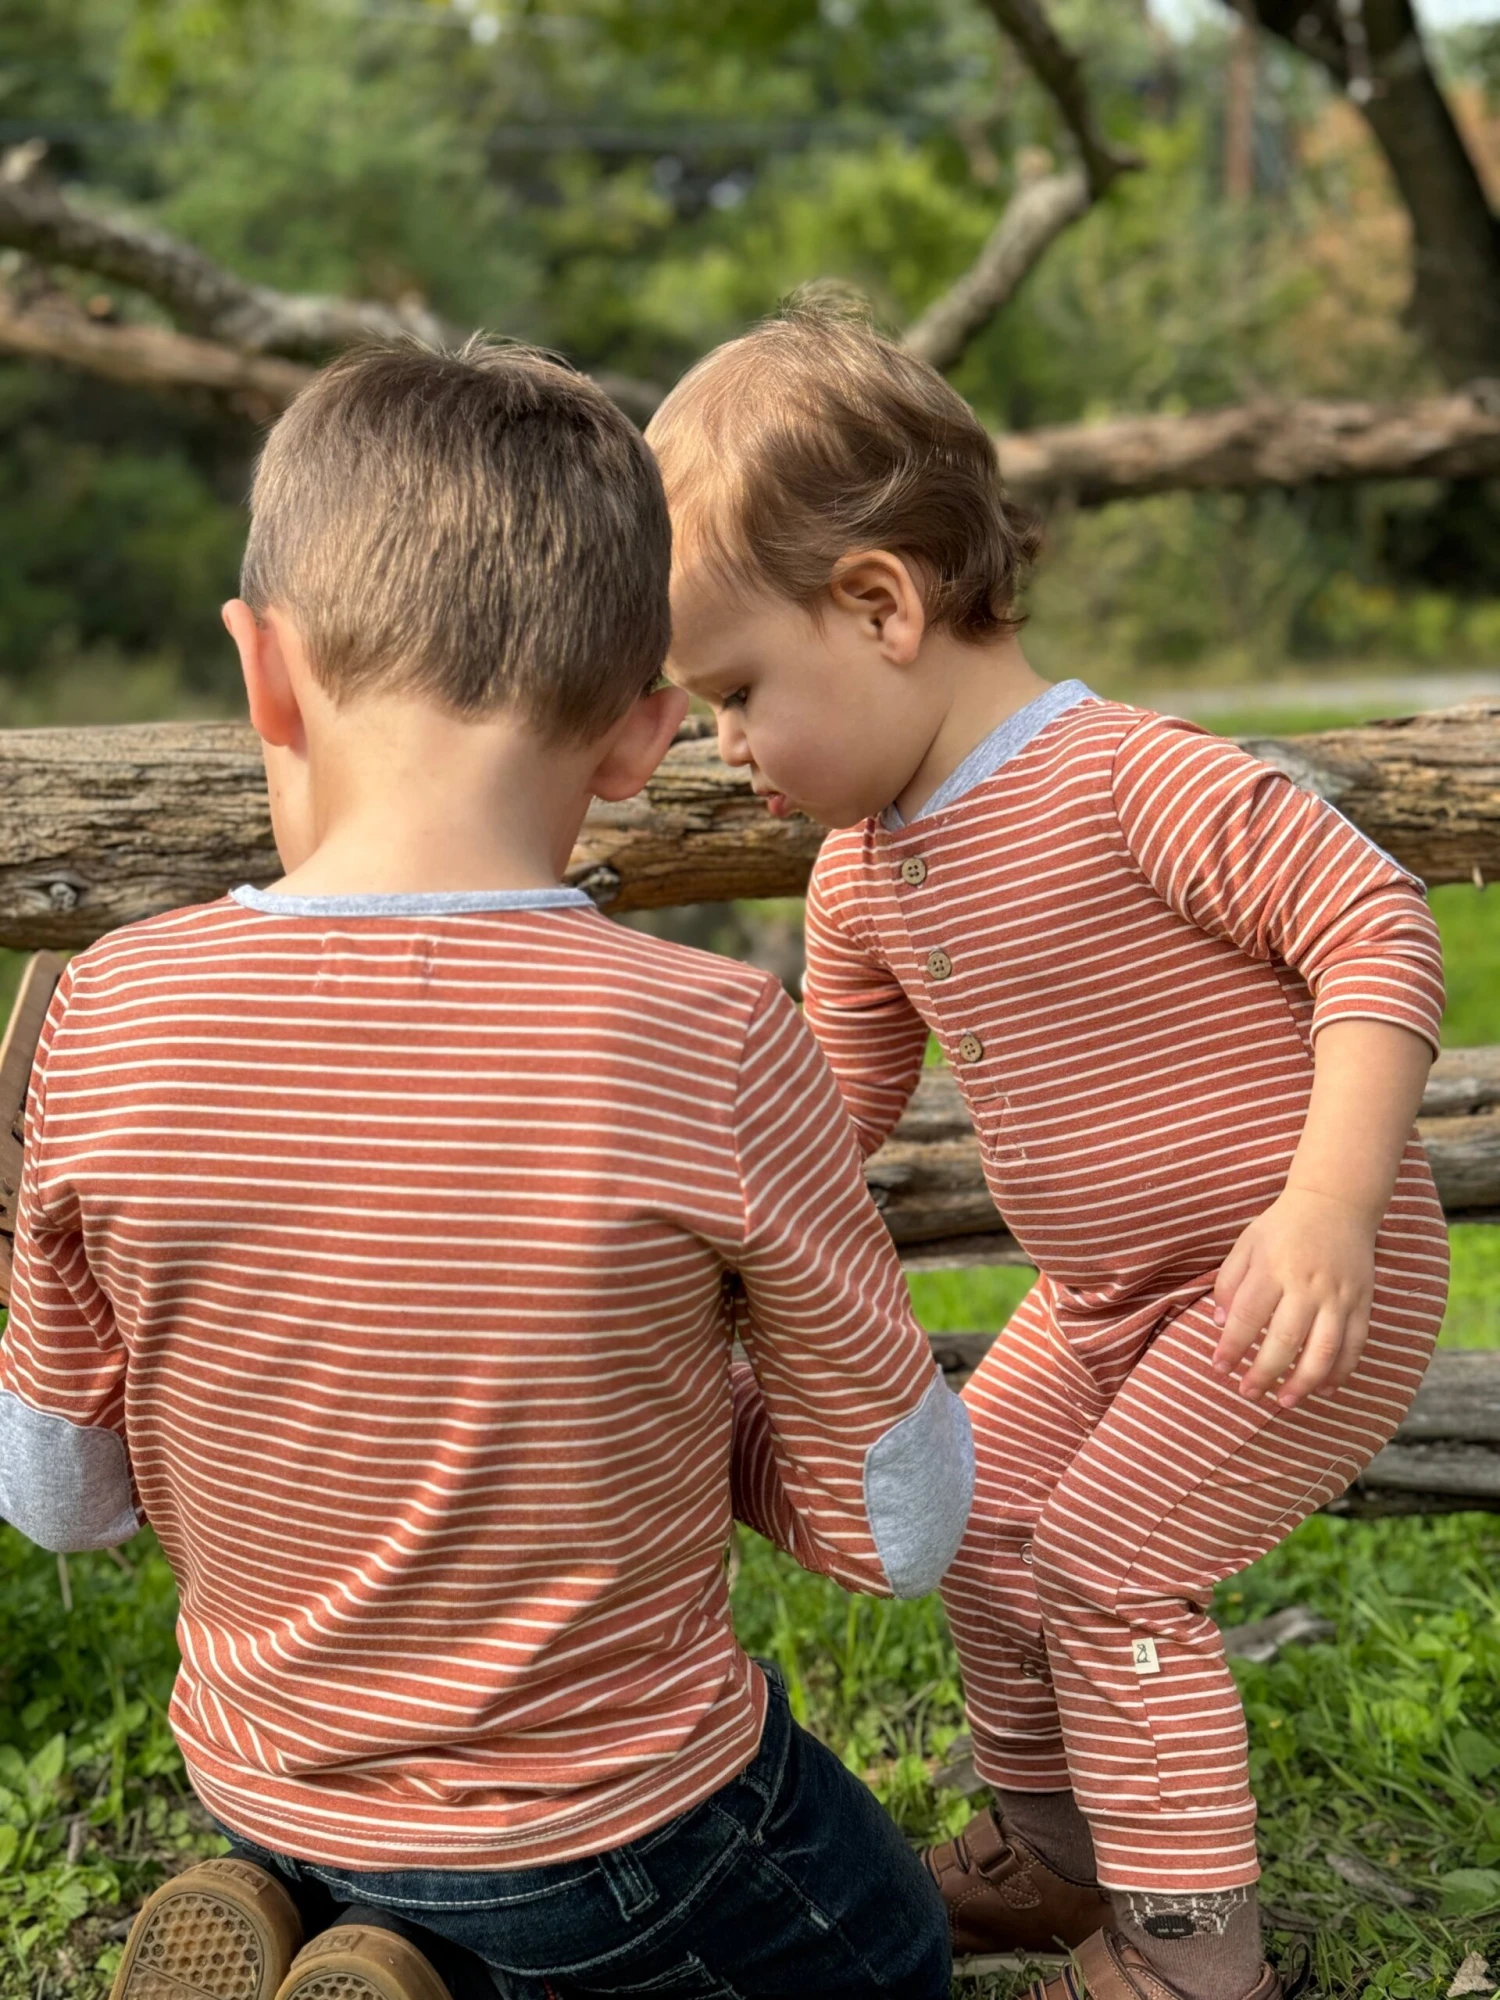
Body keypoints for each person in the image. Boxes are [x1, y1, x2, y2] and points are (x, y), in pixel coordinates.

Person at [0, 339, 974, 2000]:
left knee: (381, 1856)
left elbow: (56, 1493)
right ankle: (465, 1966)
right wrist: (689, 1408)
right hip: (612, 1836)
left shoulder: (106, 1007)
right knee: (887, 1953)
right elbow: (899, 1521)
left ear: (266, 673)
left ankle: (341, 1924)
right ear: (641, 733)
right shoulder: (713, 1035)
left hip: (261, 1772)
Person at [648, 302, 1448, 2000]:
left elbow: (1374, 929)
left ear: (879, 605)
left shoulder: (1122, 778)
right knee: (977, 1514)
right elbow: (823, 1116)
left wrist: (1330, 1202)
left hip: (1289, 1276)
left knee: (1105, 1562)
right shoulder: (865, 869)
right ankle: (1058, 1848)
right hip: (1103, 1303)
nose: (724, 746)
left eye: (734, 695)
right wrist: (693, 1241)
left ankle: (1192, 1953)